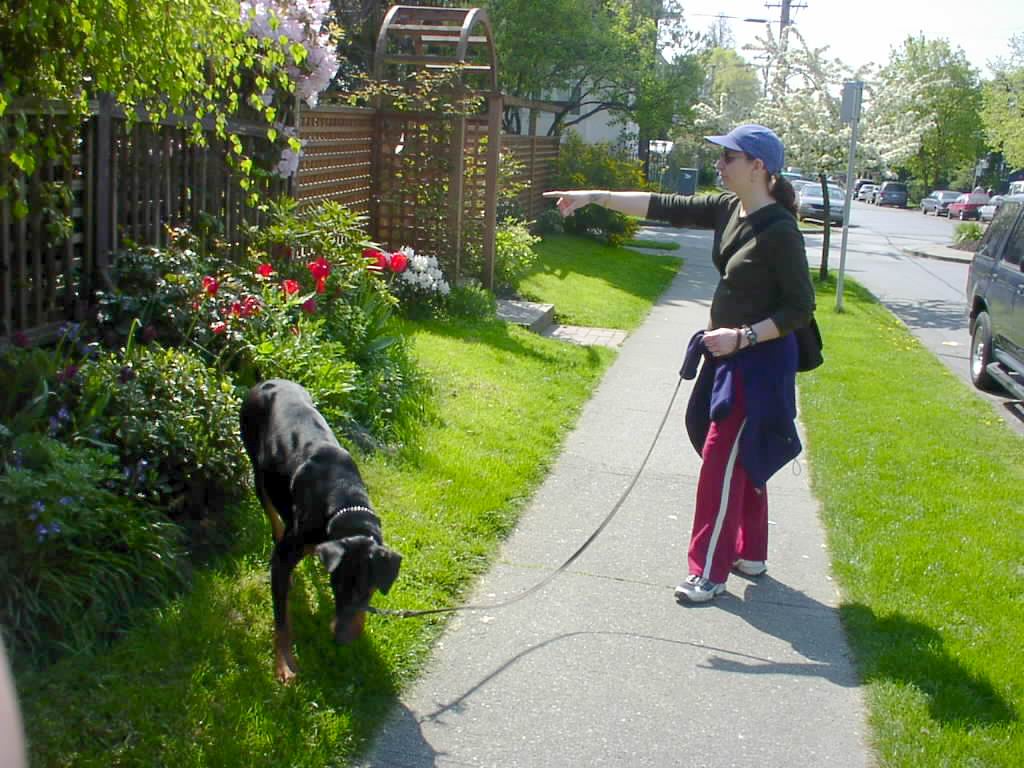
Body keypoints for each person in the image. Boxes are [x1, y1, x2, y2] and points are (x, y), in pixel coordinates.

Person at [543, 124, 815, 603]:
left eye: (728, 157)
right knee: (736, 454)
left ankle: (708, 571)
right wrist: (592, 196)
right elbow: (661, 205)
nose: (719, 165)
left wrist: (743, 336)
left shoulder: (781, 232)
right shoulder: (730, 208)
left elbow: (800, 308)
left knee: (720, 458)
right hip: (727, 354)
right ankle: (750, 552)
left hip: (760, 362)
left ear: (758, 167)